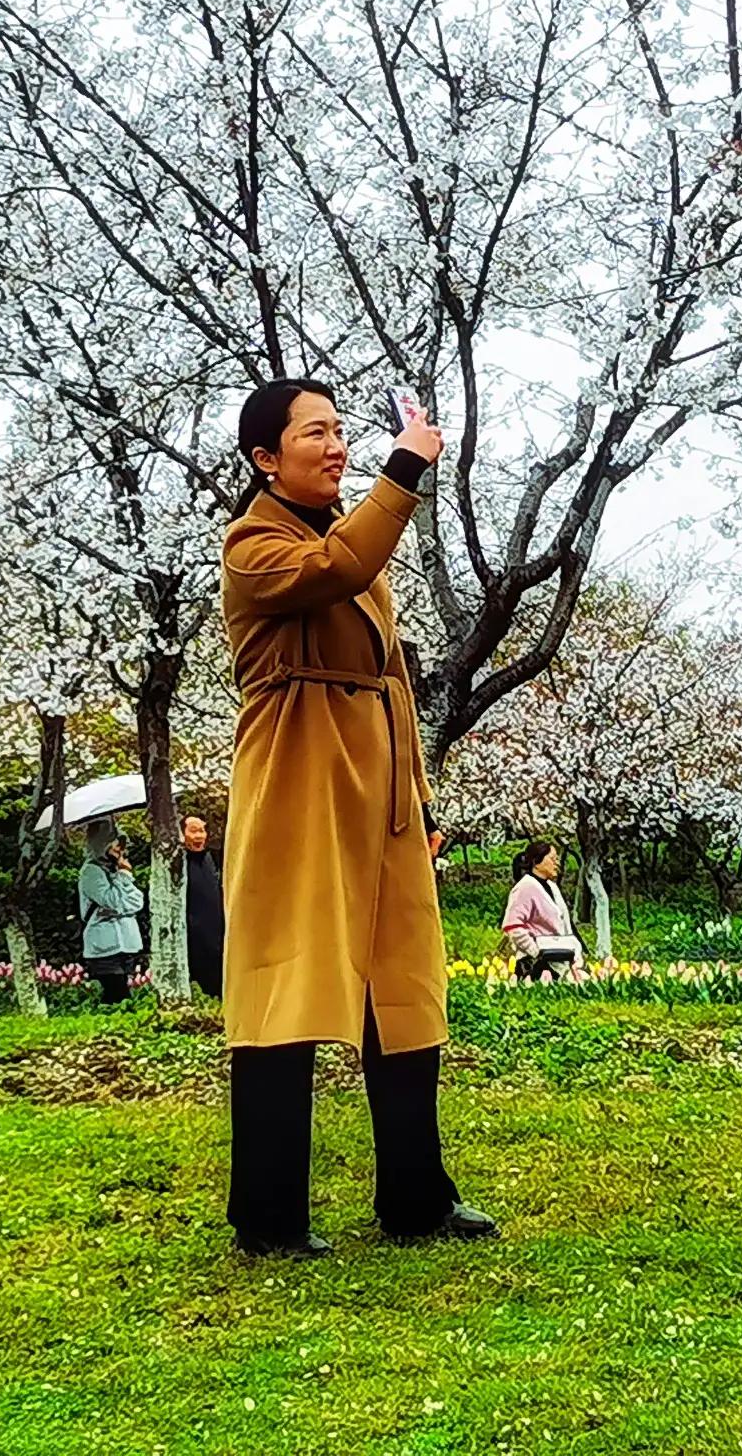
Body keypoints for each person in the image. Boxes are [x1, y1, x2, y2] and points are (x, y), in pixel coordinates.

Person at [216, 377, 498, 1257]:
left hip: (380, 791)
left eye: (341, 431)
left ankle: (415, 1199)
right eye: (314, 435)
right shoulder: (252, 544)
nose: (335, 446)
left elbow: (392, 677)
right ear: (266, 457)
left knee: (404, 992)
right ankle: (267, 1218)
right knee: (285, 990)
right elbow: (344, 568)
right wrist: (404, 469)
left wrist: (415, 794)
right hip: (300, 775)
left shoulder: (340, 534)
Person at [75, 819, 147, 1004]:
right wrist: (122, 876)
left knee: (123, 998)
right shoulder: (91, 871)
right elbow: (112, 902)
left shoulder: (115, 870)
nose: (119, 848)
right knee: (117, 996)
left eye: (121, 843)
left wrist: (122, 876)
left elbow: (136, 902)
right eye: (114, 842)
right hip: (104, 948)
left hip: (127, 945)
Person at [500, 839, 585, 982]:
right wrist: (535, 951)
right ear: (536, 861)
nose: (556, 863)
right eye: (552, 859)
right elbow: (513, 926)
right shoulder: (525, 887)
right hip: (536, 963)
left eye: (557, 859)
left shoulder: (552, 887)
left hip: (560, 956)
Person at [180, 813, 228, 1000]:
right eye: (193, 831)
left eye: (202, 830)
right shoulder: (179, 863)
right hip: (193, 934)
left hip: (216, 931)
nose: (200, 836)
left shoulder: (208, 858)